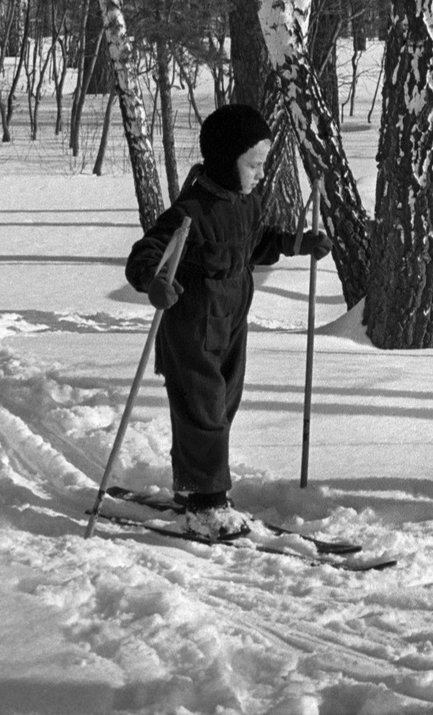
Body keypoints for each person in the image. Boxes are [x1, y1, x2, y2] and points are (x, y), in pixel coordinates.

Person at [124, 104, 331, 540]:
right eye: (253, 164)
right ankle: (206, 502)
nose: (260, 173)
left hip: (232, 321)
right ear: (225, 160)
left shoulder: (246, 201)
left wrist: (298, 242)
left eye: (263, 164)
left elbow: (257, 242)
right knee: (204, 410)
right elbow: (146, 254)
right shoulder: (192, 210)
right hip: (192, 326)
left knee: (223, 405)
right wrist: (154, 281)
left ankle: (195, 485)